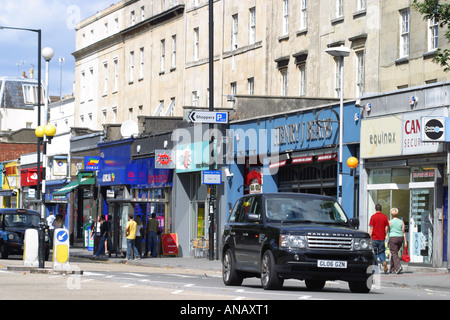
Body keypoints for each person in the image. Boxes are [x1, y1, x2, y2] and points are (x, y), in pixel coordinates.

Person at [369, 204, 389, 273]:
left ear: (375, 209)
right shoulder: (384, 217)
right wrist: (385, 234)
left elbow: (371, 227)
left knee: (374, 253)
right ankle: (384, 261)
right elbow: (386, 227)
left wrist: (369, 236)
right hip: (381, 238)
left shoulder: (373, 217)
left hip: (374, 238)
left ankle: (376, 268)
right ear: (381, 209)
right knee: (381, 252)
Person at [389, 208, 407, 274]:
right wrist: (405, 241)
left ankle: (398, 267)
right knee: (394, 253)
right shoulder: (401, 221)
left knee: (394, 253)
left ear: (391, 214)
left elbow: (387, 230)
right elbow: (404, 232)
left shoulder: (390, 222)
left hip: (393, 238)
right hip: (400, 238)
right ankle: (392, 269)